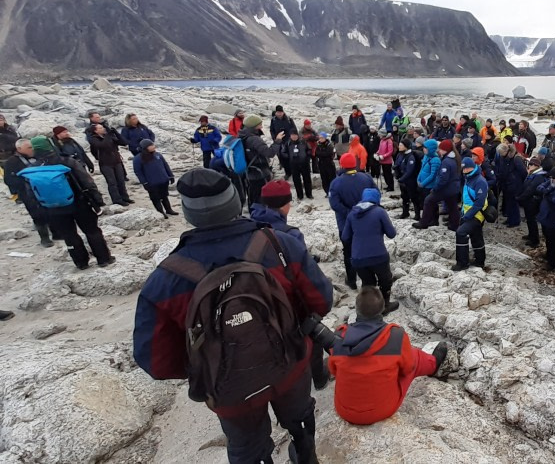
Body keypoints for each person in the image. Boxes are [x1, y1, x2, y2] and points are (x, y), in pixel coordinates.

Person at [134, 168, 333, 463]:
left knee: (246, 446)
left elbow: (156, 361)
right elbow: (321, 300)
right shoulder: (280, 245)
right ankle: (305, 455)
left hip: (228, 388)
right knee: (300, 417)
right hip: (289, 363)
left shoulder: (164, 280)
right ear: (234, 201)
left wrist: (208, 361)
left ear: (187, 213)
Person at [249, 179, 331, 390]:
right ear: (285, 204)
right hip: (289, 299)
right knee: (310, 341)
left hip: (258, 299)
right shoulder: (290, 234)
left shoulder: (249, 226)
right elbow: (303, 272)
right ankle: (318, 376)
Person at [328, 287, 448, 425]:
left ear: (356, 309)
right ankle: (434, 364)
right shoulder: (395, 335)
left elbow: (333, 370)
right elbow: (408, 368)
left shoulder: (339, 336)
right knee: (413, 356)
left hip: (345, 410)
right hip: (381, 410)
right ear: (382, 308)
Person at [30, 136, 113, 269]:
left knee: (69, 235)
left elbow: (31, 192)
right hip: (79, 203)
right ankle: (104, 259)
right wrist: (97, 199)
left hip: (54, 208)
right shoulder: (67, 161)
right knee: (92, 231)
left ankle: (81, 263)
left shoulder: (33, 169)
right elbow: (86, 181)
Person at [341, 188, 400, 313]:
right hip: (378, 256)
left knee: (368, 283)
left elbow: (345, 237)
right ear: (377, 199)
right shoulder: (379, 212)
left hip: (358, 259)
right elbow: (391, 234)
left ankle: (369, 310)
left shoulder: (352, 213)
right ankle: (385, 305)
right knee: (386, 280)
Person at [329, 154, 377, 289]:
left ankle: (351, 280)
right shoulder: (366, 178)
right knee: (367, 249)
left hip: (345, 224)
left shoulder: (336, 182)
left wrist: (350, 213)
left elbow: (335, 204)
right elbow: (376, 194)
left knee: (349, 251)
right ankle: (369, 281)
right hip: (366, 220)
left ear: (342, 165)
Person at [4, 139, 54, 247]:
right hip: (27, 193)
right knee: (37, 216)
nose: (32, 150)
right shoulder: (12, 162)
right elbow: (8, 180)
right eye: (29, 148)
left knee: (51, 211)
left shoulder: (38, 157)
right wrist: (25, 182)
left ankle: (56, 233)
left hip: (44, 189)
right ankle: (45, 239)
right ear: (19, 149)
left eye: (32, 147)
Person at [238, 114, 284, 211]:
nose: (261, 126)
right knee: (260, 198)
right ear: (254, 126)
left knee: (252, 196)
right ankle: (259, 218)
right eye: (260, 124)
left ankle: (253, 214)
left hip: (249, 172)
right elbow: (269, 153)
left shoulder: (243, 135)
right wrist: (278, 141)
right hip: (259, 173)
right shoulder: (254, 139)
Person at [453, 157, 489, 271]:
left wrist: (467, 216)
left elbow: (479, 203)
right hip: (468, 213)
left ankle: (462, 263)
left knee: (461, 233)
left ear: (469, 168)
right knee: (476, 236)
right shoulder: (469, 178)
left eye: (464, 168)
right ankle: (480, 261)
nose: (462, 171)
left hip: (476, 215)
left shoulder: (479, 181)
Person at [88, 122, 133, 206]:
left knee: (121, 181)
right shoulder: (94, 139)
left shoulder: (108, 137)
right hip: (106, 164)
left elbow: (123, 142)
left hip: (116, 161)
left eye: (103, 127)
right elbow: (102, 146)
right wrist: (108, 135)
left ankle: (125, 197)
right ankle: (117, 200)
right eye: (100, 128)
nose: (103, 129)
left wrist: (115, 133)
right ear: (96, 131)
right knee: (112, 183)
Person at [133, 140, 178, 219]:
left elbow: (165, 165)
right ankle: (160, 212)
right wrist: (144, 183)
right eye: (151, 145)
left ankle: (169, 210)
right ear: (145, 148)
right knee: (155, 198)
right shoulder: (138, 159)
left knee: (164, 196)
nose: (153, 146)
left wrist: (170, 176)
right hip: (151, 183)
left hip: (163, 180)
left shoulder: (157, 155)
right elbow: (138, 172)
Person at [518, 157, 549, 248]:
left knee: (532, 220)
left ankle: (534, 240)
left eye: (531, 165)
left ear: (536, 166)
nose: (529, 166)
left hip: (533, 201)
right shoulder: (532, 174)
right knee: (529, 219)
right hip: (529, 200)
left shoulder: (539, 176)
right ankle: (531, 235)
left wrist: (520, 197)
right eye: (529, 164)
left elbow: (531, 189)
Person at [495, 144, 525, 227]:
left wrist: (516, 180)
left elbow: (523, 172)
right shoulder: (504, 158)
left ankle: (515, 221)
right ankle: (510, 219)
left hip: (514, 185)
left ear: (506, 151)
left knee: (513, 204)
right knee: (508, 203)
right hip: (506, 184)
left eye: (501, 153)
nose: (500, 155)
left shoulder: (516, 159)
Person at [394, 139, 422, 220]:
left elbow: (410, 171)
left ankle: (417, 215)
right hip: (402, 180)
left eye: (401, 145)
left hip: (410, 181)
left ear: (406, 146)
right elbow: (397, 164)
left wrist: (401, 179)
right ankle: (405, 212)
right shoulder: (400, 154)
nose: (399, 147)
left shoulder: (411, 156)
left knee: (414, 198)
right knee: (404, 197)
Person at [282, 131, 313, 200]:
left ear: (298, 135)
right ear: (290, 136)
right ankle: (300, 195)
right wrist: (289, 156)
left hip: (304, 163)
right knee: (296, 180)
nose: (294, 137)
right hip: (294, 164)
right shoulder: (288, 143)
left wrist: (307, 157)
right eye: (292, 135)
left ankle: (309, 194)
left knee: (307, 179)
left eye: (295, 135)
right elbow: (283, 152)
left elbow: (309, 149)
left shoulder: (303, 141)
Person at [416, 139, 442, 213]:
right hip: (422, 184)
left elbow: (433, 175)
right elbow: (422, 169)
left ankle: (433, 219)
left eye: (425, 148)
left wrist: (423, 183)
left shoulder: (436, 160)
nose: (423, 149)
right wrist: (418, 179)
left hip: (429, 186)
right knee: (424, 203)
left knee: (431, 204)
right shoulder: (426, 157)